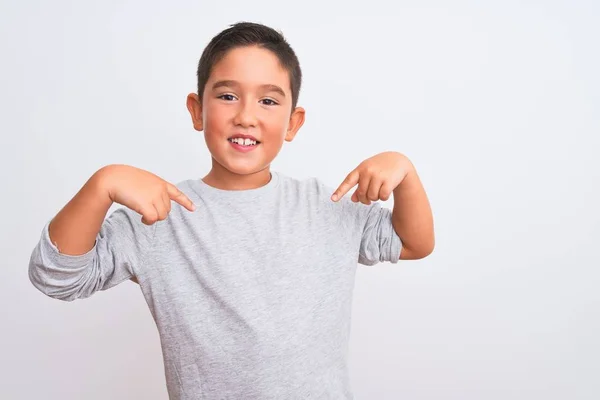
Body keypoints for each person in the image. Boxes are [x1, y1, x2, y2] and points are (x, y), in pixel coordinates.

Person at [29, 21, 435, 400]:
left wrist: (406, 174)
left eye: (268, 100)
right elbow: (57, 277)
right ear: (197, 110)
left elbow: (414, 243)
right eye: (227, 96)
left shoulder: (326, 207)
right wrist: (101, 185)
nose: (246, 116)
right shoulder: (158, 215)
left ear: (293, 123)